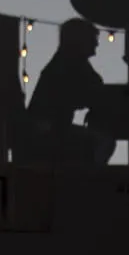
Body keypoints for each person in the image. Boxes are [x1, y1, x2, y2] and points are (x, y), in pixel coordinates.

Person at [22, 20, 109, 165]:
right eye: (92, 39)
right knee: (103, 142)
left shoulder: (66, 61)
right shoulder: (69, 65)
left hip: (46, 130)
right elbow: (93, 91)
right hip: (47, 131)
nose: (96, 44)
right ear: (80, 41)